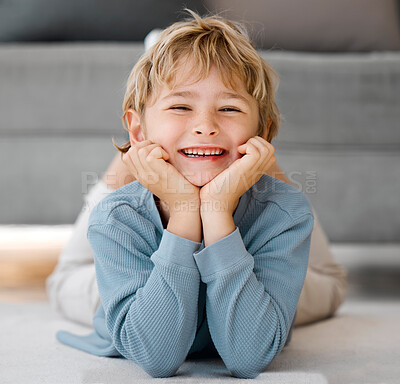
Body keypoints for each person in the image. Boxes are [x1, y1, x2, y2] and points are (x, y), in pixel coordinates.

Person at [47, 10, 347, 379]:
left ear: (264, 135)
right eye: (181, 105)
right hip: (143, 276)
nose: (205, 125)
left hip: (253, 269)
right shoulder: (117, 218)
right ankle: (146, 128)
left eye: (228, 108)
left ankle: (208, 112)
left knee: (329, 287)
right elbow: (156, 357)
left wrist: (218, 211)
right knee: (65, 282)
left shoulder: (283, 213)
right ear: (136, 129)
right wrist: (185, 211)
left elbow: (248, 357)